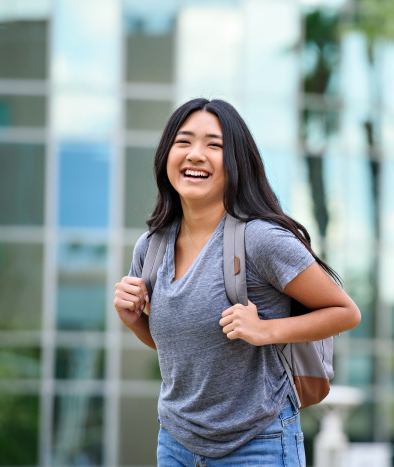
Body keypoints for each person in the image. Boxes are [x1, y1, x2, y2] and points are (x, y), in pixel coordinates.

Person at [113, 98, 361, 466]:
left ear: (235, 163)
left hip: (257, 441)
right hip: (176, 443)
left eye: (214, 145)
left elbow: (345, 312)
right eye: (184, 142)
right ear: (166, 155)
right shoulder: (151, 248)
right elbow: (183, 350)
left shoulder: (260, 240)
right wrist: (135, 320)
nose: (196, 154)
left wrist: (266, 330)